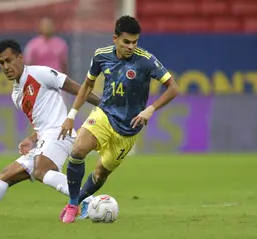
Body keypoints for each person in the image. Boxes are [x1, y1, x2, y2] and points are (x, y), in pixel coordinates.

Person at [0, 39, 100, 218]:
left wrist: (105, 105)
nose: (6, 66)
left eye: (9, 60)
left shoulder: (41, 73)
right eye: (1, 63)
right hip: (46, 137)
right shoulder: (16, 95)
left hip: (60, 133)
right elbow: (41, 123)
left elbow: (79, 89)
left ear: (20, 58)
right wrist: (32, 139)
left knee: (42, 170)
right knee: (6, 175)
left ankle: (90, 200)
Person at [58, 15, 179, 223]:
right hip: (104, 114)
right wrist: (71, 115)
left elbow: (173, 88)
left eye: (135, 42)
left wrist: (150, 109)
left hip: (128, 130)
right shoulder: (101, 56)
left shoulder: (146, 60)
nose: (131, 46)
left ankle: (79, 202)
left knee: (99, 175)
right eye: (126, 42)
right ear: (115, 38)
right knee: (77, 149)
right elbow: (87, 85)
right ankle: (71, 204)